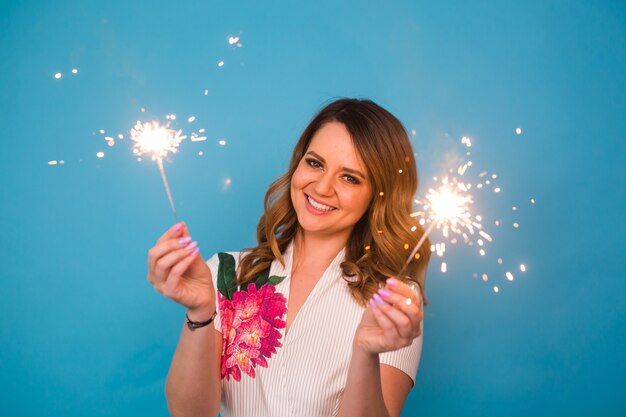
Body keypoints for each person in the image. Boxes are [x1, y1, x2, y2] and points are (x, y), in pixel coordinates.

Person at [147, 98, 431, 417]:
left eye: (350, 177)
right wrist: (200, 312)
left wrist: (365, 352)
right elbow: (188, 414)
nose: (322, 187)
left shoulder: (392, 302)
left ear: (378, 195)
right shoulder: (227, 272)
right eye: (315, 163)